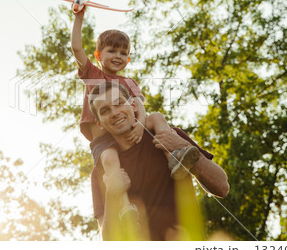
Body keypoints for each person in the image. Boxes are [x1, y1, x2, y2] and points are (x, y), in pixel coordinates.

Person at [71, 8, 199, 224]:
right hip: (104, 137)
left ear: (128, 59)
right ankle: (125, 206)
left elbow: (139, 104)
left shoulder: (129, 83)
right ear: (99, 55)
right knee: (110, 160)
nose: (118, 57)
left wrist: (140, 124)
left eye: (123, 53)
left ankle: (173, 159)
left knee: (157, 116)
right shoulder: (93, 74)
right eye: (112, 51)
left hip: (127, 127)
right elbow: (76, 48)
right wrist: (79, 17)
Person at [88, 81, 230, 240]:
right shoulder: (103, 170)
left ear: (133, 105)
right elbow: (108, 240)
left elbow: (222, 187)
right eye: (105, 111)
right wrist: (111, 195)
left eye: (119, 103)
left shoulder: (168, 136)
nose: (114, 113)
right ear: (99, 123)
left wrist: (183, 145)